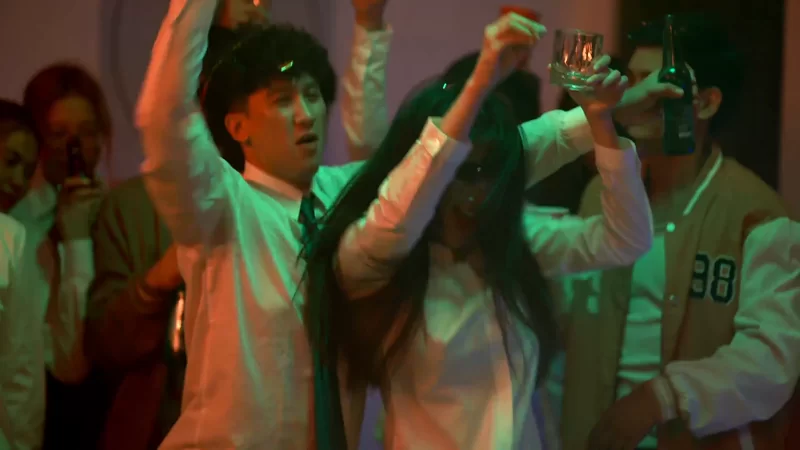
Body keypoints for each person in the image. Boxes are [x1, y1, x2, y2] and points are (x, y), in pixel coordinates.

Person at [303, 13, 655, 450]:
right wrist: (480, 80)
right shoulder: (374, 259)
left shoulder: (513, 240)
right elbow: (402, 204)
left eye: (487, 172)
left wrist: (601, 121)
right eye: (461, 172)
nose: (476, 192)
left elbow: (628, 239)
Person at [86, 0, 393, 447]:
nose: (305, 114)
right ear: (238, 127)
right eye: (283, 100)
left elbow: (385, 164)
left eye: (311, 95)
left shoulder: (338, 196)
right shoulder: (221, 204)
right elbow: (164, 116)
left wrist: (368, 26)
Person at [556, 13, 800, 450]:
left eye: (657, 84)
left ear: (705, 103)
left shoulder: (756, 215)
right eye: (632, 80)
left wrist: (662, 397)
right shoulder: (601, 193)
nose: (638, 96)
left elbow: (771, 360)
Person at [10, 63, 109, 449]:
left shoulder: (118, 210)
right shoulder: (21, 226)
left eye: (87, 131)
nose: (75, 147)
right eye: (59, 134)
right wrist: (76, 239)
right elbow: (67, 362)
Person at [0, 99, 43, 450]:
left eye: (27, 172)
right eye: (10, 161)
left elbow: (21, 367)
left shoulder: (11, 238)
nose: (17, 182)